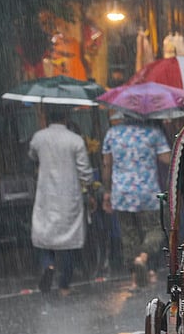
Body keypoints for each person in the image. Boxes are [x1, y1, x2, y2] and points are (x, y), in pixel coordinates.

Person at [101, 110, 171, 287]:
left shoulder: (112, 134)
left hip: (121, 193)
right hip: (147, 192)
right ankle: (144, 257)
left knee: (129, 235)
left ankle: (134, 278)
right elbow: (167, 159)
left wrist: (107, 191)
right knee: (156, 229)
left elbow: (107, 165)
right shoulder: (153, 133)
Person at [29, 105, 93, 297]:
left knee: (44, 236)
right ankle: (64, 286)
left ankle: (48, 265)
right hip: (69, 195)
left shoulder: (38, 138)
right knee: (68, 241)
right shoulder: (75, 140)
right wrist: (89, 186)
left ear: (47, 118)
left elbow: (32, 156)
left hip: (46, 195)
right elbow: (85, 171)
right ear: (66, 118)